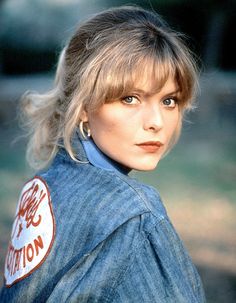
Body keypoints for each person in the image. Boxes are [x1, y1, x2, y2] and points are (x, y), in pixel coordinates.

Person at [0, 5, 206, 302]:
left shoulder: (43, 184)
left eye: (169, 100)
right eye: (130, 98)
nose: (156, 122)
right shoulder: (136, 215)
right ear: (83, 107)